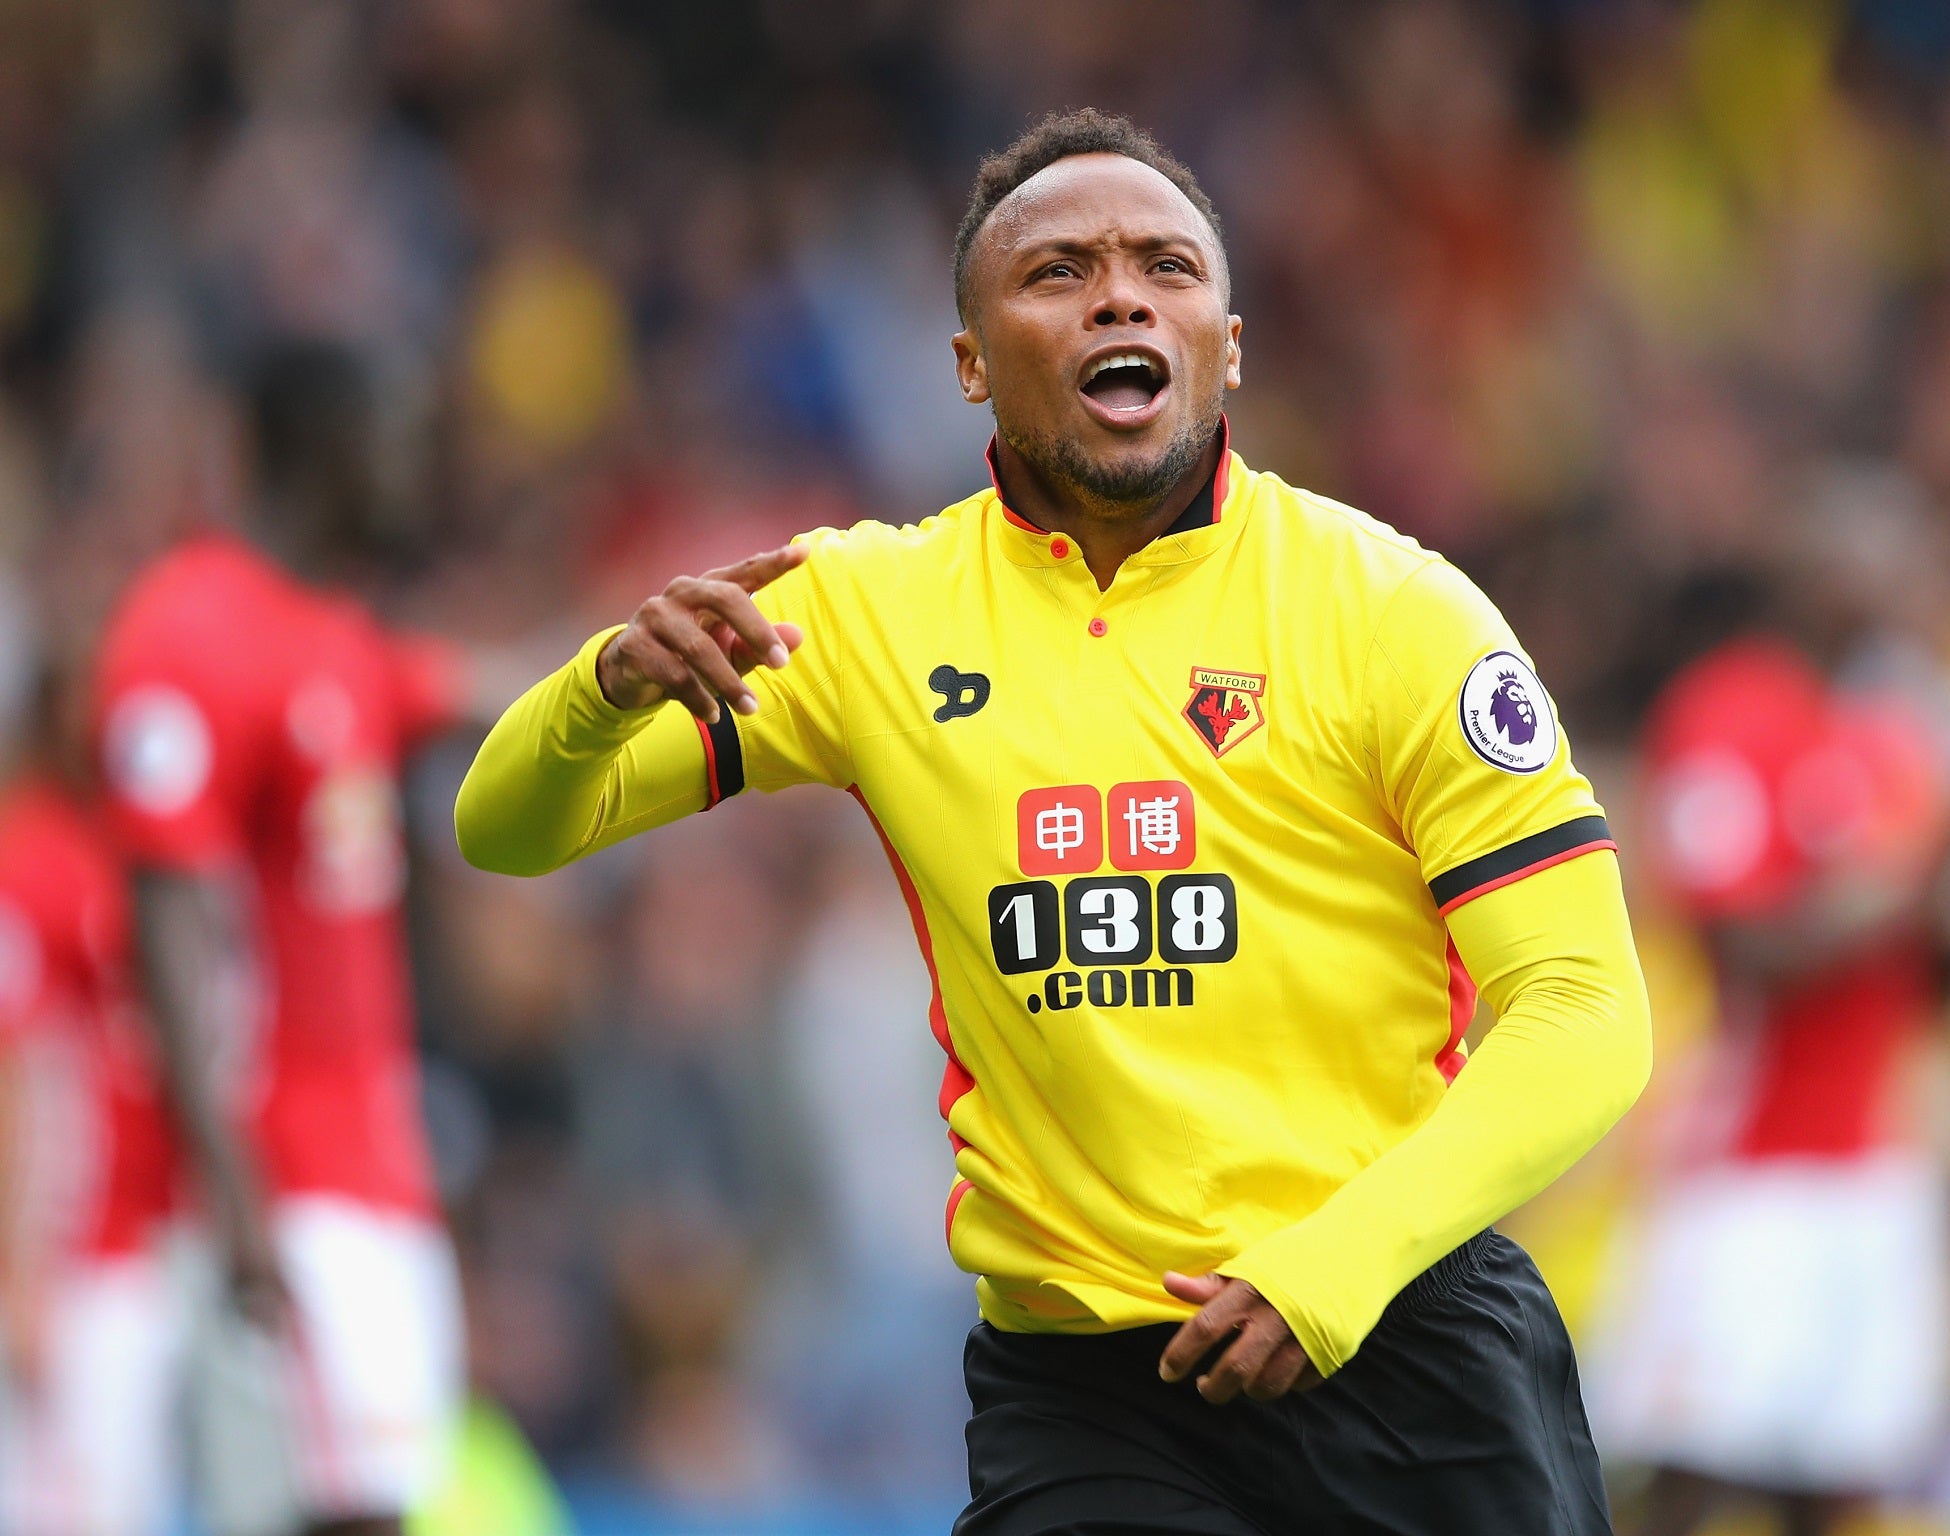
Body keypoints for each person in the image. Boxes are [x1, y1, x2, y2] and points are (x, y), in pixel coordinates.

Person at [457, 109, 1652, 1535]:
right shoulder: (864, 613)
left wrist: (1331, 1268)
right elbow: (509, 827)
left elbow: (1583, 1007)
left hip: (1397, 1335)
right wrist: (598, 693)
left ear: (1228, 340)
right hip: (1089, 1393)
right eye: (1061, 271)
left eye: (1165, 266)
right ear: (969, 363)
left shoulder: (1394, 613)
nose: (1122, 295)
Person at [91, 340, 467, 1536]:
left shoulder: (337, 636)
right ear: (322, 449)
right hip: (284, 1172)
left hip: (378, 1166)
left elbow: (495, 691)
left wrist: (658, 653)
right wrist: (233, 1182)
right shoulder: (191, 629)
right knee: (327, 1513)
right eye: (388, 436)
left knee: (379, 1505)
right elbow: (171, 920)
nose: (409, 466)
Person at [1590, 638, 1950, 1536]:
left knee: (1840, 1480)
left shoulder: (1895, 734)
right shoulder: (1731, 708)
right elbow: (1746, 944)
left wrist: (1930, 887)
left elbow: (1946, 971)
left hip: (1874, 1172)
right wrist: (1893, 886)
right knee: (1693, 1464)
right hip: (1746, 1177)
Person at [0, 663, 182, 1536]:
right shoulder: (24, 855)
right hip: (73, 1256)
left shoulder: (112, 846)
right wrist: (19, 1274)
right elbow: (18, 1069)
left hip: (137, 1237)